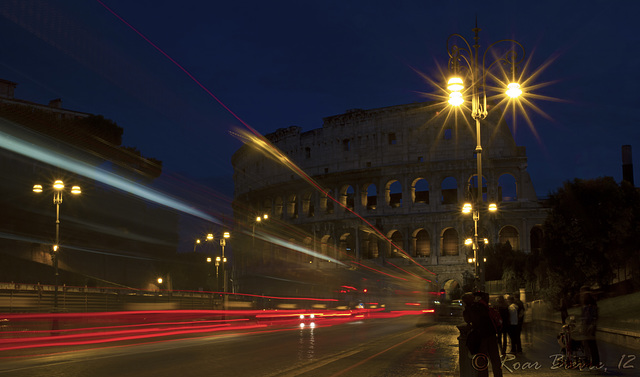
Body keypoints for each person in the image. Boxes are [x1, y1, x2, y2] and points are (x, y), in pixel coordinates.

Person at [462, 292, 503, 377]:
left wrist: (466, 308)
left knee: (482, 359)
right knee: (495, 358)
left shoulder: (470, 308)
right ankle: (498, 375)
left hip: (481, 336)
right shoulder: (481, 305)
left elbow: (468, 320)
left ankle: (483, 375)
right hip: (491, 333)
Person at [580, 288, 600, 367]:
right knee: (589, 345)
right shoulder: (589, 307)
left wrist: (589, 326)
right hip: (588, 328)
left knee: (591, 346)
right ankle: (592, 361)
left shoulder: (590, 307)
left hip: (589, 328)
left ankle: (594, 362)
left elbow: (589, 318)